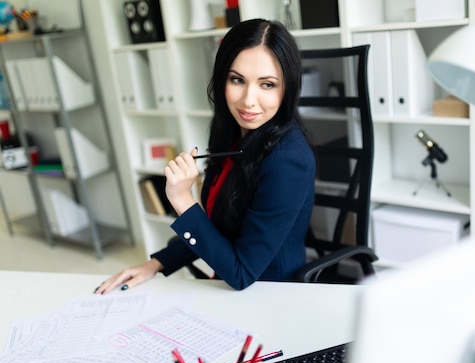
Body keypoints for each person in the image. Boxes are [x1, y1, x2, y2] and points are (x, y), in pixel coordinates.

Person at [95, 18, 315, 293]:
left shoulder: (288, 162)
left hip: (269, 292)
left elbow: (242, 274)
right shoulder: (235, 131)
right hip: (225, 281)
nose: (248, 100)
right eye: (237, 80)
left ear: (288, 88)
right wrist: (156, 264)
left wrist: (181, 199)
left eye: (267, 84)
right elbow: (217, 226)